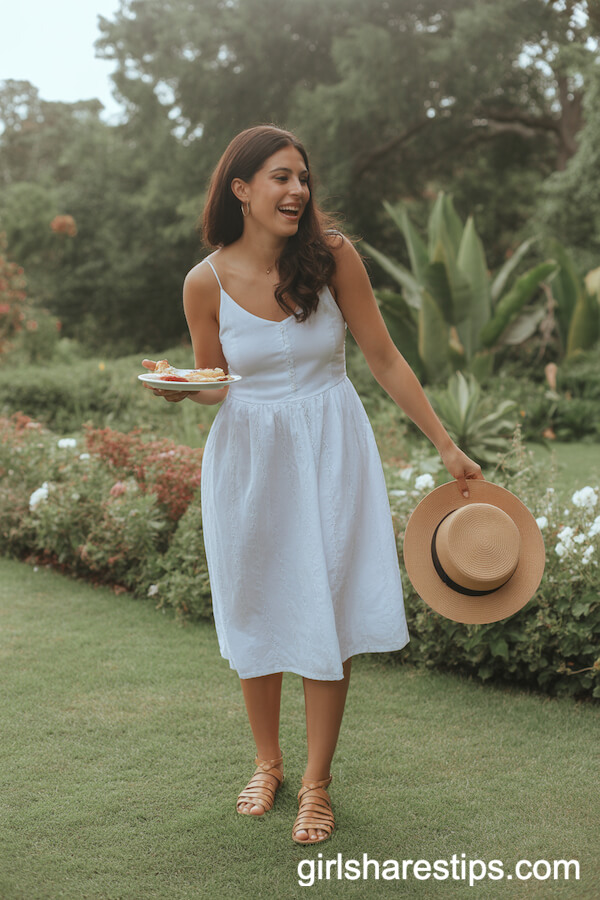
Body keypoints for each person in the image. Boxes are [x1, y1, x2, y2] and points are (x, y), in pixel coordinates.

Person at [142, 124, 483, 845]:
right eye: (280, 177)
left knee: (328, 603)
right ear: (240, 189)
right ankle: (267, 764)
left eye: (302, 177)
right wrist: (181, 390)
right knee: (257, 605)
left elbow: (385, 358)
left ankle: (318, 784)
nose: (297, 189)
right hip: (248, 460)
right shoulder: (203, 282)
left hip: (332, 450)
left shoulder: (332, 258)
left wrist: (446, 445)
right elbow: (215, 384)